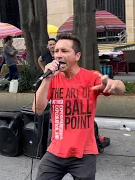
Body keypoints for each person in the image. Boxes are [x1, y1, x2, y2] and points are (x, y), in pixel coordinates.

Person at [33, 34, 125, 180]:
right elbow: (38, 109)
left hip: (84, 153)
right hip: (55, 151)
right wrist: (46, 80)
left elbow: (120, 88)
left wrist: (115, 84)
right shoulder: (52, 79)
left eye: (64, 51)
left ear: (77, 56)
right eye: (56, 51)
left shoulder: (90, 77)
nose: (58, 55)